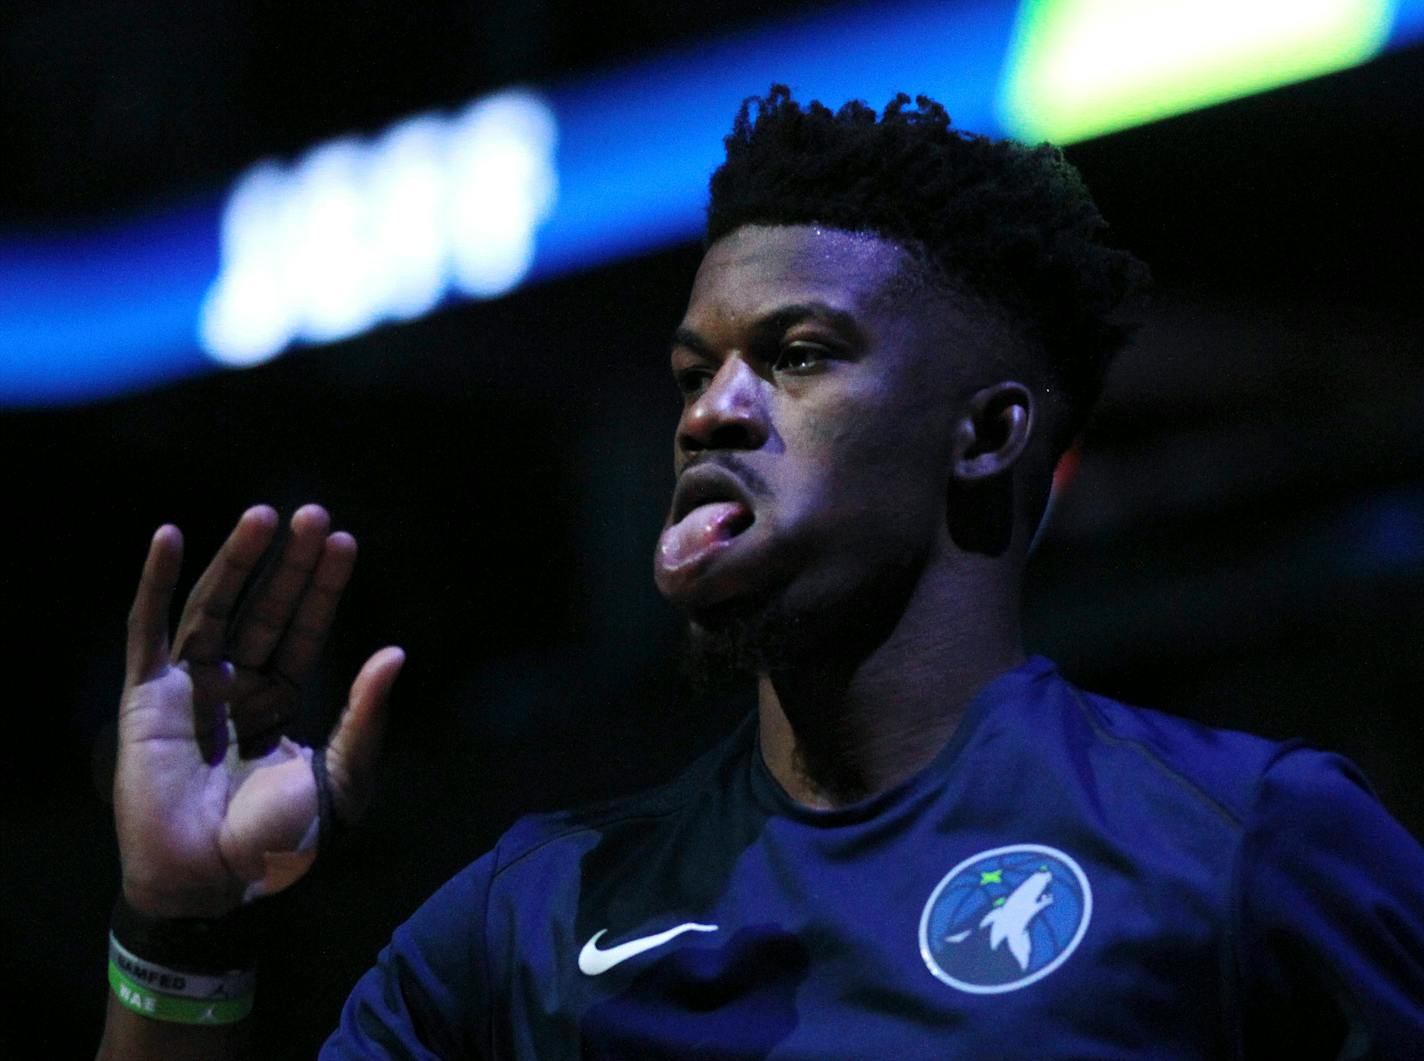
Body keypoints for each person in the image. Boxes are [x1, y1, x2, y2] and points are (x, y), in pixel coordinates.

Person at [97, 86, 1424, 1059]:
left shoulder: (1246, 840)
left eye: (794, 354)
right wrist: (179, 924)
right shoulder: (535, 918)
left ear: (988, 431)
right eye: (691, 371)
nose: (710, 412)